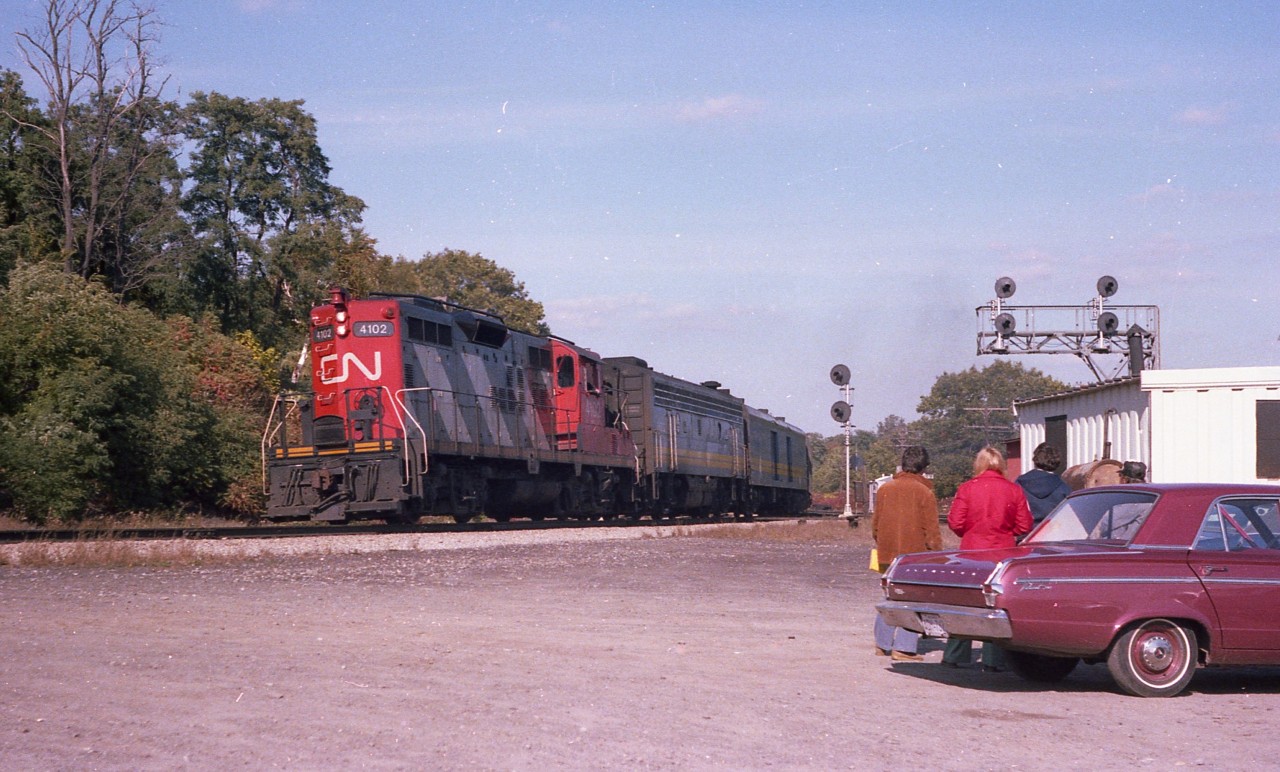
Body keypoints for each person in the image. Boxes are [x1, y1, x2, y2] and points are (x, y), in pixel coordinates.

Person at [943, 446, 1034, 671]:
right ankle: (994, 659)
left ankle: (955, 654)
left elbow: (955, 522)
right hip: (1003, 552)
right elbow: (1025, 525)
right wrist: (1005, 531)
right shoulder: (1014, 490)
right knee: (997, 605)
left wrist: (972, 532)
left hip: (971, 552)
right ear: (1000, 464)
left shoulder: (967, 488)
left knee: (965, 601)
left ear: (979, 464)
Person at [871, 445, 942, 662]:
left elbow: (875, 526)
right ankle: (903, 647)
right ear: (924, 467)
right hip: (915, 557)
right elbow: (931, 532)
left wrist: (884, 544)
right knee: (914, 600)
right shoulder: (925, 492)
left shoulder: (885, 490)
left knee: (891, 596)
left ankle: (882, 644)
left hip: (886, 555)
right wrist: (937, 557)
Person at [1015, 443, 1071, 525]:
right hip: (1054, 531)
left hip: (1026, 533)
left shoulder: (1019, 483)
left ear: (1035, 459)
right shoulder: (1063, 487)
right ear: (1056, 461)